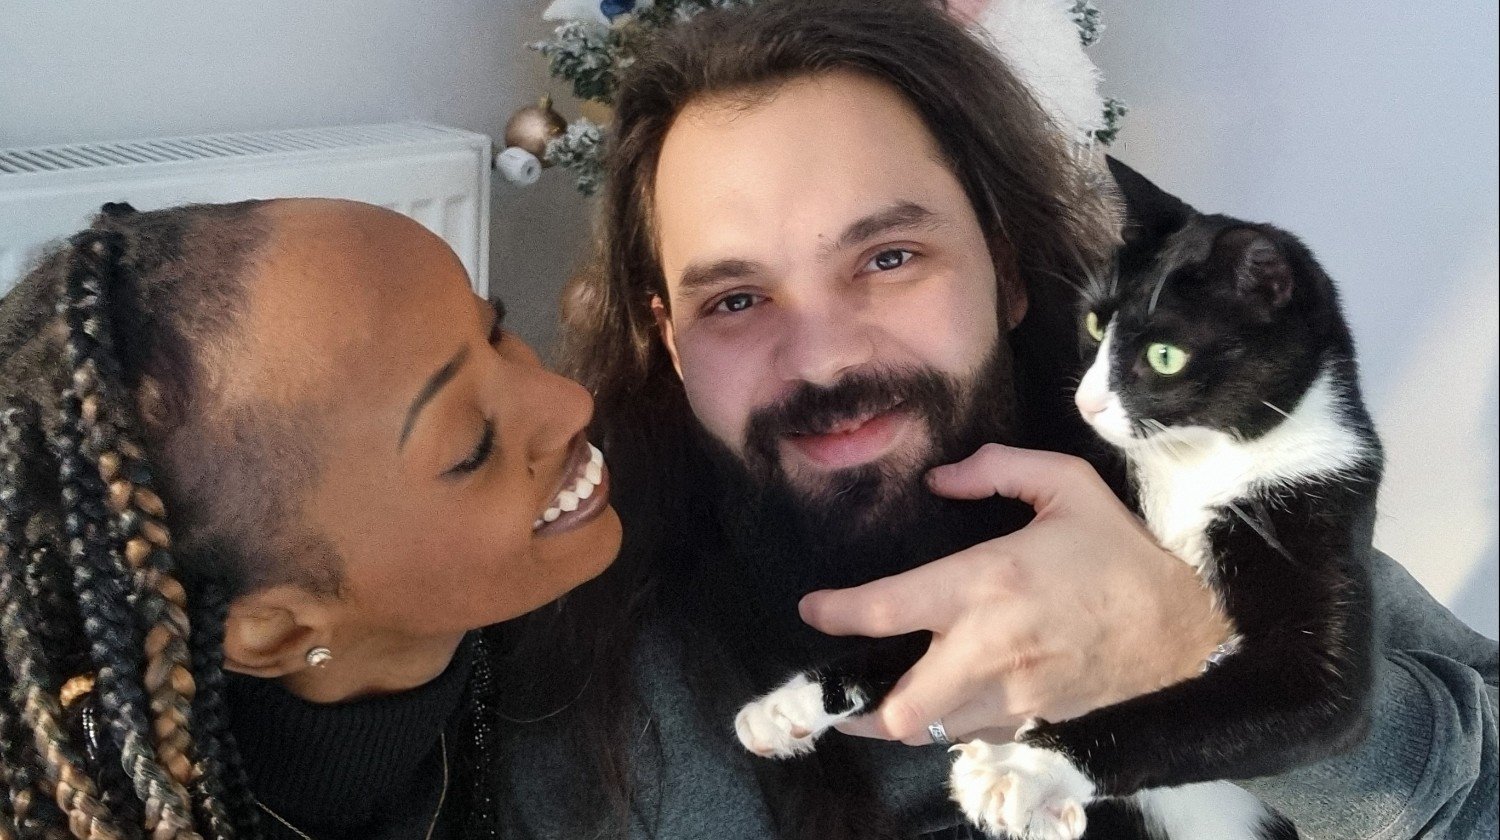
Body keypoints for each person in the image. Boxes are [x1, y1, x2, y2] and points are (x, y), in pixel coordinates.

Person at [495, 1, 1499, 838]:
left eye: (889, 258)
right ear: (671, 342)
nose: (823, 358)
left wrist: (1182, 644)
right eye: (736, 299)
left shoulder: (1204, 492)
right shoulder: (602, 702)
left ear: (1007, 271)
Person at [0, 198, 622, 838]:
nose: (573, 402)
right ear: (275, 634)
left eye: (494, 331)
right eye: (473, 447)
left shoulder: (591, 629)